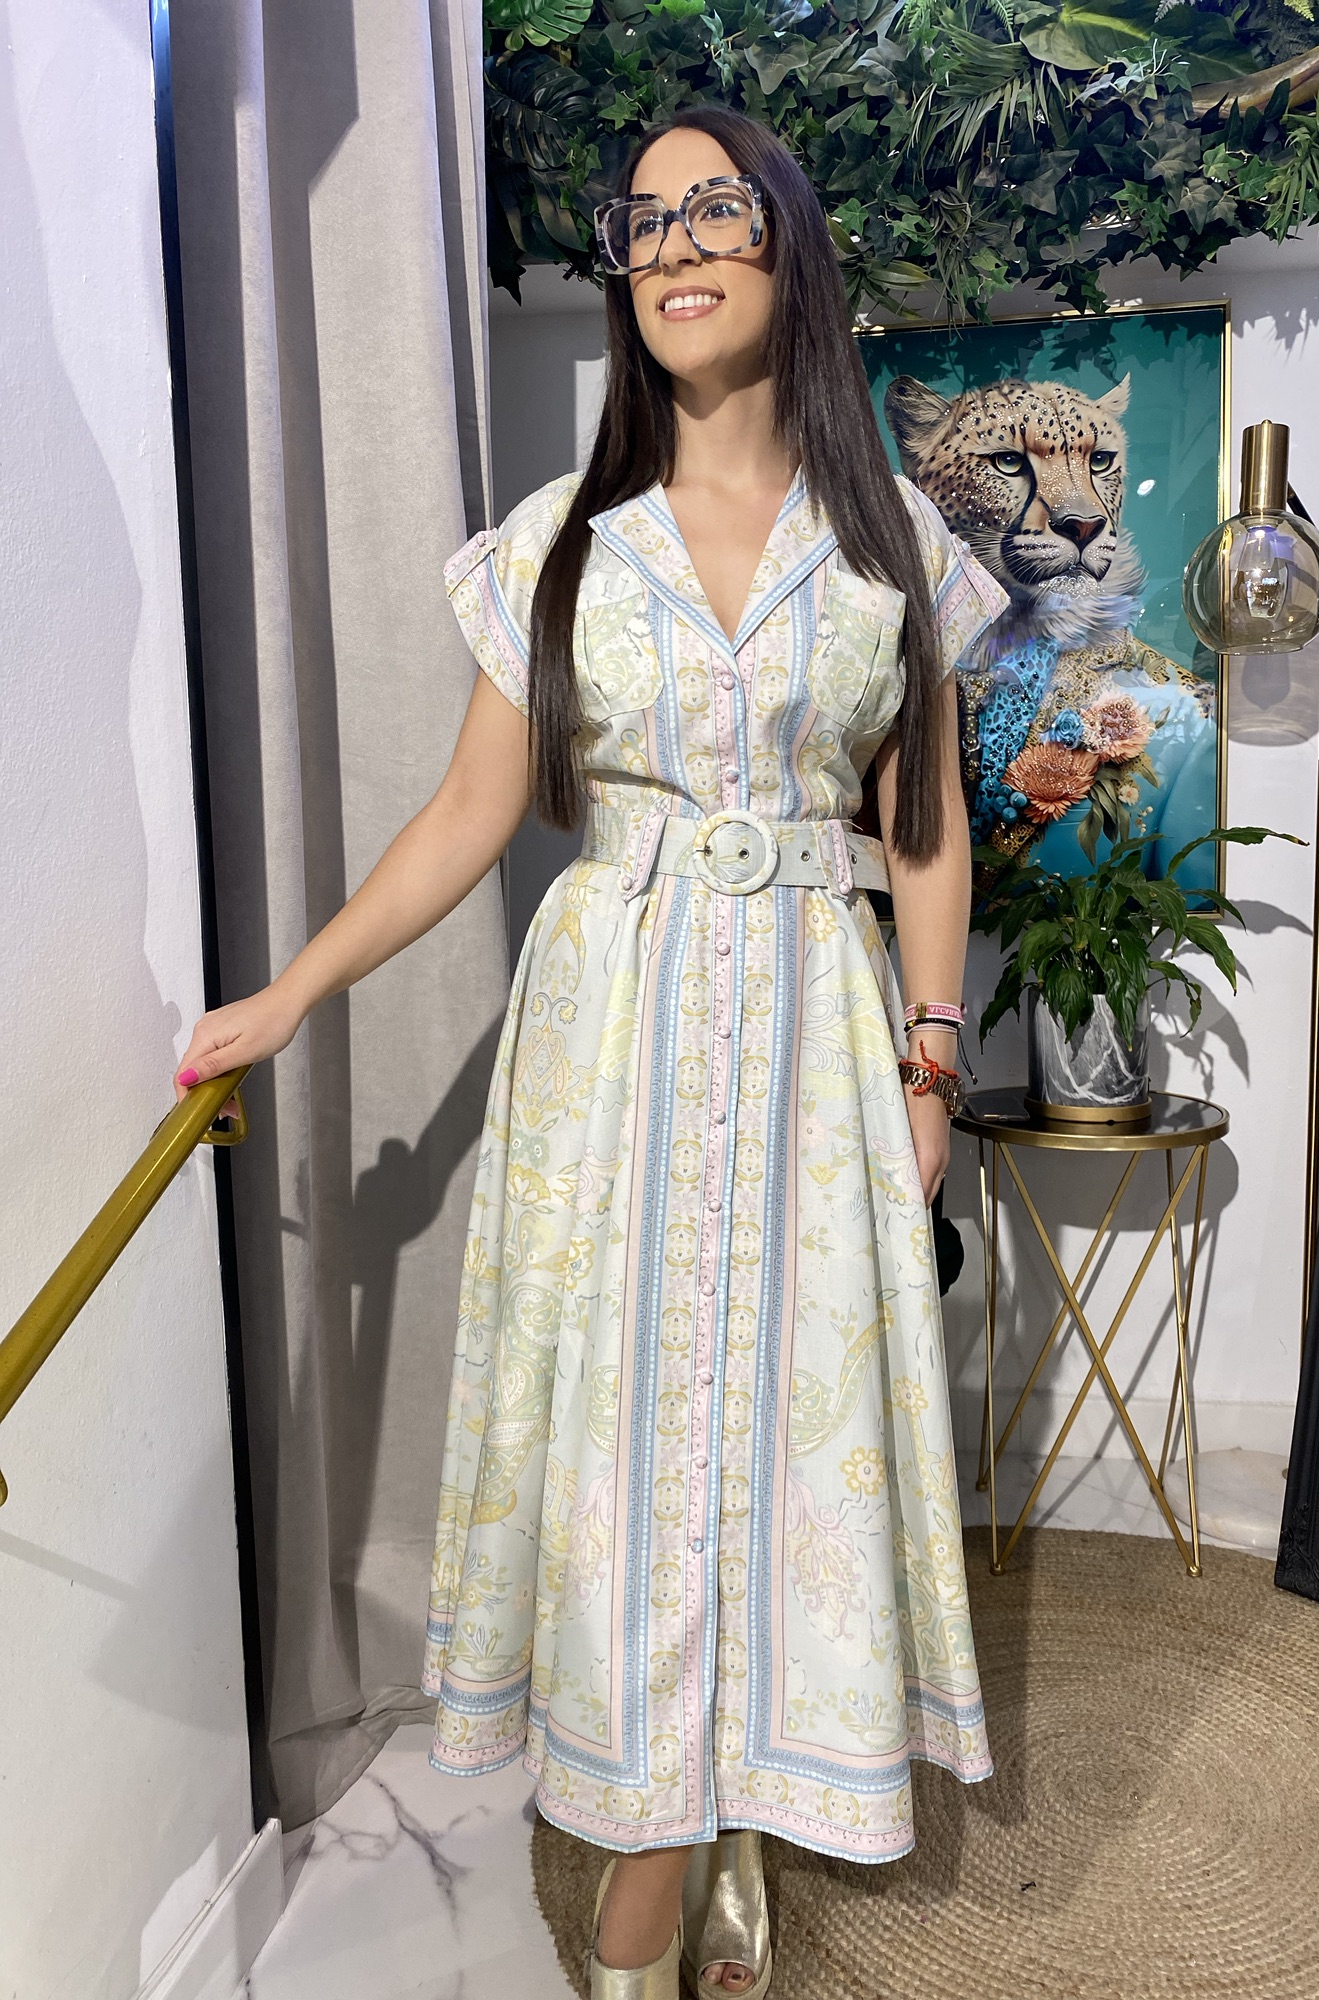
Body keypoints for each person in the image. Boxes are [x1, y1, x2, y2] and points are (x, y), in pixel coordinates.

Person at [175, 105, 1001, 2000]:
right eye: (643, 222)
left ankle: (738, 1814)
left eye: (716, 208)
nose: (675, 244)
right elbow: (470, 817)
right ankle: (654, 1859)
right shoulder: (559, 546)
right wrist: (293, 992)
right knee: (633, 1442)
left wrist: (930, 1061)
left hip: (815, 1045)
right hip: (612, 1046)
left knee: (785, 1438)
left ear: (788, 244)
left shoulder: (894, 547)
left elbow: (926, 831)